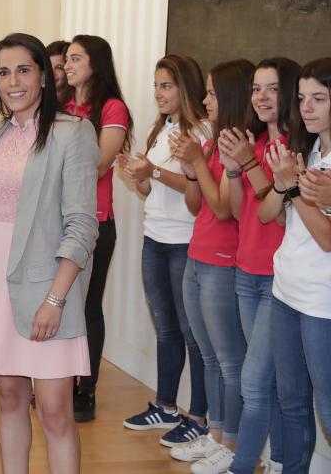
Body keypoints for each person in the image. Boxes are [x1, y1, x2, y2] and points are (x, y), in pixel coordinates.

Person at [0, 33, 99, 474]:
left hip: (49, 281)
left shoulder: (70, 133)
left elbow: (82, 225)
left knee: (55, 409)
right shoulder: (0, 133)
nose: (13, 81)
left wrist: (56, 299)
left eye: (23, 70)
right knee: (9, 397)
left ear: (43, 75)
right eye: (3, 72)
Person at [170, 59, 259, 474]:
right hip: (197, 255)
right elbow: (196, 204)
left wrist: (200, 165)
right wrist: (192, 167)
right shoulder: (212, 142)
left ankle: (233, 442)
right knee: (208, 356)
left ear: (230, 95)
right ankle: (215, 433)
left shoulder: (239, 144)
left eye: (211, 92)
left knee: (229, 360)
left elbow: (225, 210)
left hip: (224, 262)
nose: (205, 100)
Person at [118, 54, 211, 449]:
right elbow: (149, 190)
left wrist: (151, 172)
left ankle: (200, 417)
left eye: (166, 86)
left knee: (195, 335)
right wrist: (137, 173)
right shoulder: (162, 129)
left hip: (185, 242)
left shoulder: (200, 133)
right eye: (156, 85)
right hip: (154, 237)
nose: (158, 93)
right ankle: (167, 405)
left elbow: (195, 191)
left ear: (184, 88)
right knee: (166, 328)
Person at [219, 57, 299, 474]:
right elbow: (237, 212)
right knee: (265, 381)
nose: (262, 97)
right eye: (255, 88)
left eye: (271, 88)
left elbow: (277, 213)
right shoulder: (256, 145)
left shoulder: (293, 149)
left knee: (253, 381)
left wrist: (248, 164)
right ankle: (279, 462)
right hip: (245, 269)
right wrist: (234, 170)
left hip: (278, 280)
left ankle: (243, 464)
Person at [259, 57, 331, 473]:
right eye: (303, 98)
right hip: (285, 292)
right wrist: (285, 183)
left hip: (321, 302)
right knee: (291, 401)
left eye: (319, 99)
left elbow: (326, 239)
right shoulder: (308, 149)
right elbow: (269, 213)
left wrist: (299, 191)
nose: (306, 108)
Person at [62, 34, 133, 422]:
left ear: (95, 63)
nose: (67, 65)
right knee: (60, 302)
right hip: (58, 221)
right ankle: (60, 381)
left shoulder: (111, 107)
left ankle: (85, 389)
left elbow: (100, 165)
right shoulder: (64, 105)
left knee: (88, 307)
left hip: (94, 222)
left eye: (75, 58)